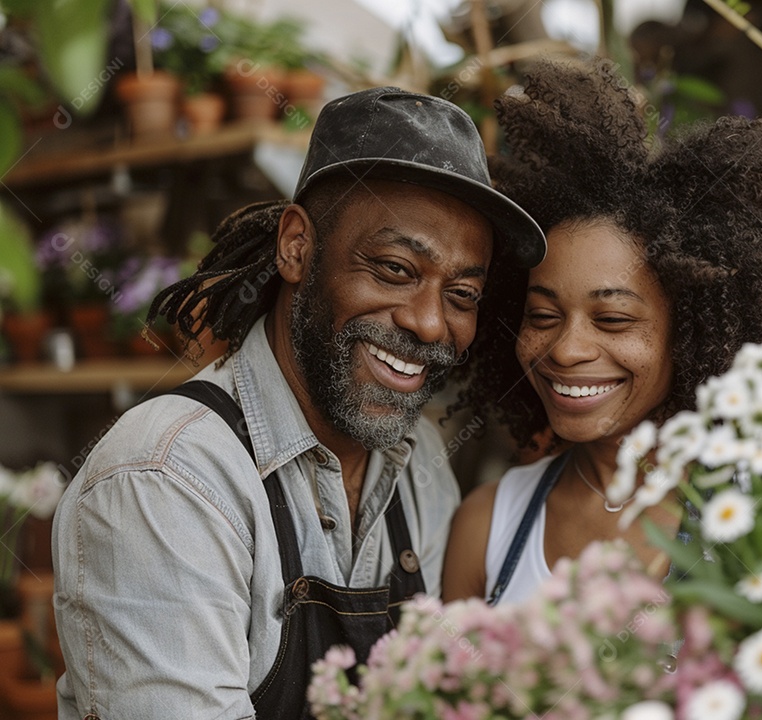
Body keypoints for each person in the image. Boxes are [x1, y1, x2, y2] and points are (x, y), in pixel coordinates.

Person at [51, 87, 544, 718]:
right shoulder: (168, 481)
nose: (428, 323)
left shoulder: (420, 464)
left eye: (463, 294)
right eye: (394, 268)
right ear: (296, 247)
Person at [442, 59, 762, 605]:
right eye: (542, 316)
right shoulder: (486, 527)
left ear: (693, 333)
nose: (567, 349)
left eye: (613, 319)